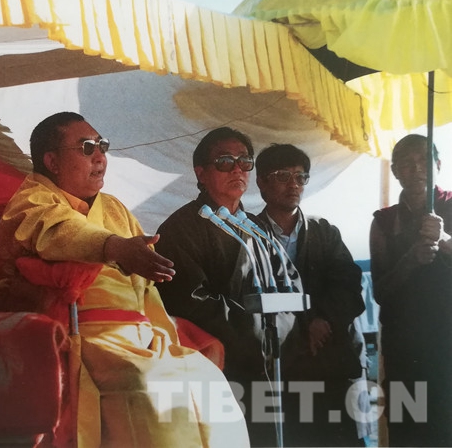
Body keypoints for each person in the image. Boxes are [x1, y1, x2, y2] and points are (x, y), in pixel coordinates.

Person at [0, 112, 249, 448]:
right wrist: (114, 247)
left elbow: (145, 288)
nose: (100, 156)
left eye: (102, 146)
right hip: (81, 334)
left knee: (206, 379)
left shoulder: (114, 208)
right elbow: (56, 231)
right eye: (86, 148)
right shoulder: (32, 201)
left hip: (139, 335)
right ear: (52, 161)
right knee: (146, 386)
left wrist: (162, 336)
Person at [154, 127, 302, 447]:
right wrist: (253, 333)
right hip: (215, 362)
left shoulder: (258, 228)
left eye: (244, 161)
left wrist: (277, 336)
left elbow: (285, 285)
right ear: (201, 173)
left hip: (266, 360)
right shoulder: (181, 228)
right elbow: (190, 301)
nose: (237, 169)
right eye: (225, 161)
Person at [255, 143, 368, 447]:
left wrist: (323, 319)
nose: (293, 185)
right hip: (281, 363)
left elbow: (348, 284)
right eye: (283, 176)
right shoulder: (250, 235)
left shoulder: (324, 232)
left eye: (300, 177)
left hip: (330, 358)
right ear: (262, 182)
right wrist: (306, 325)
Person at [369, 134, 452, 447]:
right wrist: (410, 260)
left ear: (438, 165)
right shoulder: (384, 222)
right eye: (406, 163)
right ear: (395, 171)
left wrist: (444, 240)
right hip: (405, 348)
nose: (416, 169)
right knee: (408, 432)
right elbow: (380, 292)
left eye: (424, 161)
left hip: (448, 343)